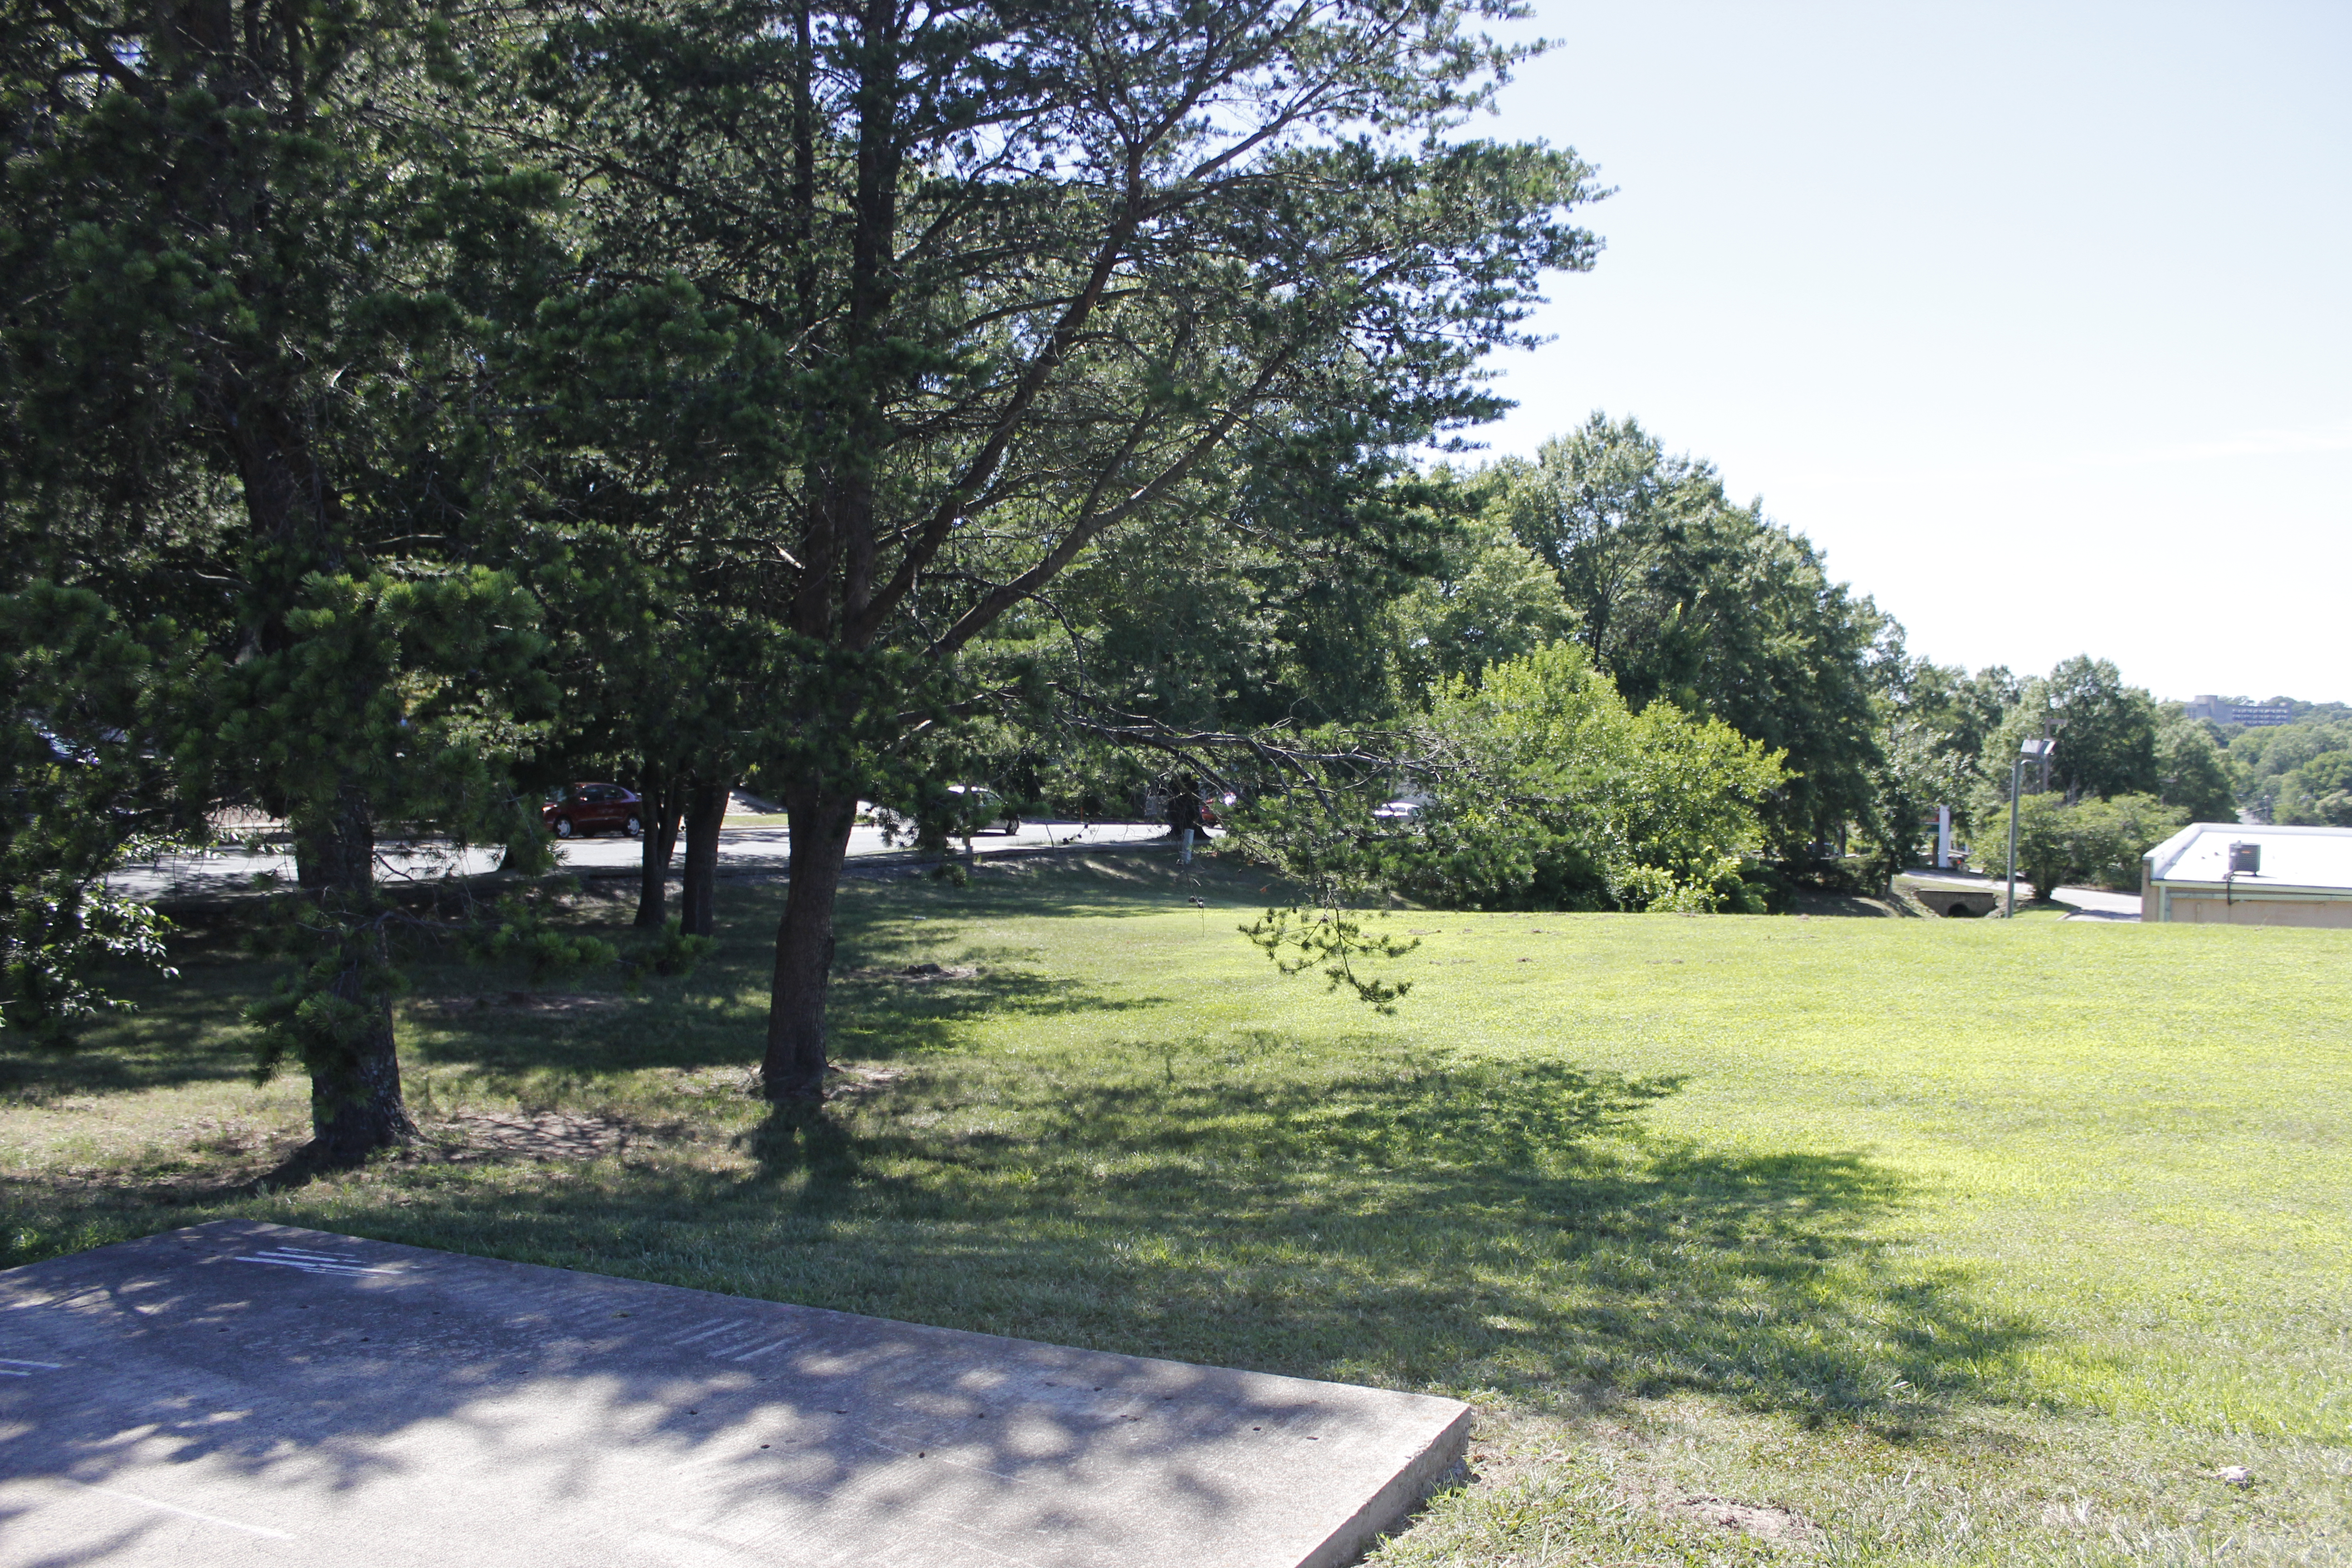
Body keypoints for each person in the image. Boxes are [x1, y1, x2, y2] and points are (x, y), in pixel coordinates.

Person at [1167, 776, 1205, 865]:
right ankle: (1185, 857)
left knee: (1189, 834)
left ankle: (1186, 857)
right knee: (1187, 835)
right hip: (1186, 823)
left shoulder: (1192, 810)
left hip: (1191, 825)